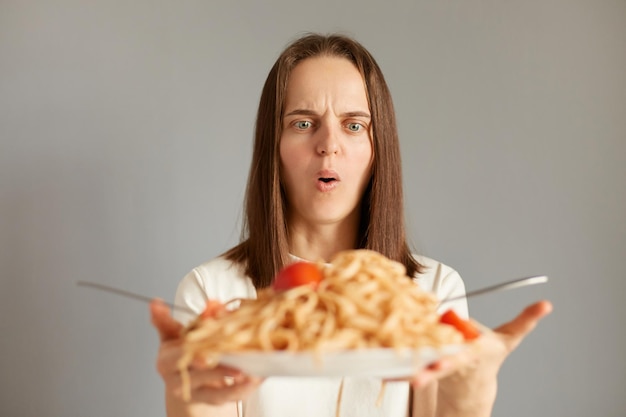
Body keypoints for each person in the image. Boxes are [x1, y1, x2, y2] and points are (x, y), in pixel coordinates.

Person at [150, 33, 552, 417]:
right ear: (273, 147)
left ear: (379, 152)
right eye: (303, 123)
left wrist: (471, 394)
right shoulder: (212, 293)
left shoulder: (433, 293)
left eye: (354, 125)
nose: (329, 143)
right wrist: (190, 404)